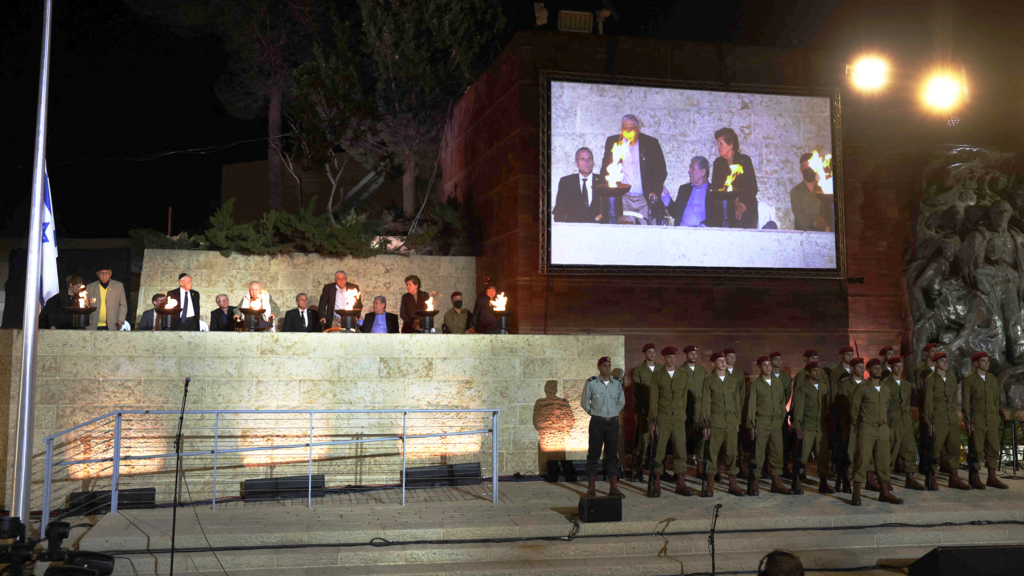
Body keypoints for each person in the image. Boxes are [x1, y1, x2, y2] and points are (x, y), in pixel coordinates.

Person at [850, 359, 903, 506]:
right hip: (867, 427)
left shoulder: (886, 389)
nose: (878, 370)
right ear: (868, 370)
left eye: (879, 368)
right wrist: (860, 426)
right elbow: (854, 410)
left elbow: (887, 409)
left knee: (884, 461)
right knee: (862, 459)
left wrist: (887, 426)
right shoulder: (862, 388)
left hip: (882, 429)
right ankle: (856, 492)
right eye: (875, 368)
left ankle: (885, 492)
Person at [648, 346, 698, 497]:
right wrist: (653, 422)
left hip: (677, 418)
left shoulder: (682, 375)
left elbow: (684, 398)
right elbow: (653, 400)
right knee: (659, 451)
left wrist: (683, 416)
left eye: (674, 357)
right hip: (662, 418)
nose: (672, 360)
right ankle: (656, 483)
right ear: (664, 358)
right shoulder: (657, 375)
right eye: (669, 357)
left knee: (680, 451)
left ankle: (681, 483)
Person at [599, 114, 667, 224]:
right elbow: (605, 170)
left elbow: (661, 171)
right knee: (625, 231)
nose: (629, 131)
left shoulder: (651, 143)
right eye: (626, 128)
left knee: (649, 230)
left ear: (639, 129)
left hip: (644, 197)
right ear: (621, 130)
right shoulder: (613, 143)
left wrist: (655, 191)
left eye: (632, 128)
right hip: (624, 198)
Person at [922, 351, 970, 490]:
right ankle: (931, 476)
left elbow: (954, 399)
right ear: (935, 363)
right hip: (938, 418)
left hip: (952, 419)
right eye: (942, 361)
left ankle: (954, 477)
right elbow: (928, 403)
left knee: (954, 447)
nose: (945, 363)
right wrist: (929, 421)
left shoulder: (951, 379)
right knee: (935, 449)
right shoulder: (930, 380)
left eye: (946, 361)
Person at [962, 351, 1010, 490]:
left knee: (993, 448)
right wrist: (968, 420)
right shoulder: (969, 379)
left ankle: (992, 477)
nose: (987, 363)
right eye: (983, 361)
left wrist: (996, 417)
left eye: (987, 361)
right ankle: (975, 477)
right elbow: (966, 403)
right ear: (976, 363)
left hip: (991, 419)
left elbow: (996, 401)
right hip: (977, 419)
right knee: (976, 448)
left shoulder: (992, 379)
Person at [581, 356, 626, 498]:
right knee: (593, 455)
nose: (608, 368)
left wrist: (614, 413)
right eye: (605, 365)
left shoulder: (617, 383)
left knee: (612, 455)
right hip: (597, 423)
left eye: (609, 365)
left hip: (612, 422)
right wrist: (593, 413)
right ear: (599, 367)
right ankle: (591, 489)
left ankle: (613, 487)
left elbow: (621, 401)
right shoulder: (592, 382)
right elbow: (584, 402)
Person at [745, 356, 791, 495]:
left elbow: (782, 404)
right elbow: (751, 406)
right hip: (761, 423)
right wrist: (751, 425)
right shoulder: (756, 384)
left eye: (769, 364)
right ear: (759, 367)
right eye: (764, 365)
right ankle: (755, 483)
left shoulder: (778, 383)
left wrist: (781, 419)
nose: (767, 367)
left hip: (776, 423)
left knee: (777, 454)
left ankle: (776, 483)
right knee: (758, 455)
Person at [702, 351, 744, 496]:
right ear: (713, 364)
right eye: (719, 361)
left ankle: (733, 484)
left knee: (732, 453)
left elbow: (737, 402)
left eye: (724, 360)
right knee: (712, 455)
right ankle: (710, 484)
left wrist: (737, 421)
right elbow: (706, 404)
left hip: (731, 422)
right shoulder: (709, 381)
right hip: (715, 422)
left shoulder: (732, 380)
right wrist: (706, 425)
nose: (723, 363)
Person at [791, 361, 834, 495]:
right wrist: (798, 426)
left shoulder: (824, 387)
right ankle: (796, 481)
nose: (817, 373)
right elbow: (799, 409)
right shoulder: (803, 388)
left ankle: (823, 483)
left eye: (819, 370)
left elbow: (827, 408)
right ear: (808, 372)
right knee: (803, 455)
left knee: (822, 456)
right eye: (814, 370)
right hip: (808, 426)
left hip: (821, 427)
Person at [884, 356, 924, 490]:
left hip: (905, 419)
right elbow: (883, 406)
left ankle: (910, 477)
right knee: (890, 450)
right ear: (891, 368)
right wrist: (885, 424)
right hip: (892, 419)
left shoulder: (906, 384)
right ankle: (885, 478)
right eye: (897, 366)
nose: (900, 369)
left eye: (901, 366)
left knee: (910, 448)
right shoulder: (885, 384)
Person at [707, 127, 758, 229]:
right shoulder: (718, 163)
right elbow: (716, 189)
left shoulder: (745, 160)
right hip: (726, 210)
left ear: (731, 144)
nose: (718, 147)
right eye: (718, 144)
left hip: (747, 209)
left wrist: (742, 207)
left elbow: (753, 188)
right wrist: (733, 207)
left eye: (721, 143)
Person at [835, 356, 868, 492]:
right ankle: (845, 479)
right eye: (859, 367)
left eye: (863, 367)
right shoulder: (845, 384)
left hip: (864, 422)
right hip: (848, 423)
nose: (862, 369)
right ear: (852, 369)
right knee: (848, 452)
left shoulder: (867, 384)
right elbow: (842, 403)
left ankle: (861, 479)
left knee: (862, 451)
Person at [630, 343, 660, 481]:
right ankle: (639, 470)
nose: (652, 354)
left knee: (660, 442)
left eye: (654, 351)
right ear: (645, 353)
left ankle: (658, 471)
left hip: (661, 411)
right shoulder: (639, 370)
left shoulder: (661, 369)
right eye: (649, 351)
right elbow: (636, 392)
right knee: (643, 440)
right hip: (645, 411)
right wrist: (637, 411)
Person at [553, 147, 604, 223]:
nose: (586, 162)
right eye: (582, 159)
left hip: (599, 230)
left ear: (593, 163)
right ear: (576, 163)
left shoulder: (603, 181)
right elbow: (559, 211)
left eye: (589, 159)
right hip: (573, 231)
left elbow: (609, 210)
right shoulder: (566, 182)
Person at [669, 156, 711, 227]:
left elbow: (717, 217)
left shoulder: (713, 192)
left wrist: (703, 226)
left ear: (703, 172)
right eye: (690, 168)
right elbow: (675, 213)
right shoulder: (684, 189)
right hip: (682, 232)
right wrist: (666, 198)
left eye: (693, 169)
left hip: (704, 234)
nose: (689, 172)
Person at [790, 153, 827, 231]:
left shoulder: (824, 188)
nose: (809, 169)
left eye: (810, 166)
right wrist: (813, 223)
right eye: (805, 167)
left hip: (822, 232)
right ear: (801, 170)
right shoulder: (796, 192)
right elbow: (798, 217)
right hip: (803, 233)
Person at [85, 266, 128, 330]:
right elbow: (86, 307)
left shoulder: (118, 286)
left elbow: (123, 304)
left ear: (110, 274)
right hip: (94, 324)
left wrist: (121, 319)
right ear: (97, 274)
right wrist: (87, 323)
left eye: (106, 273)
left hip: (113, 324)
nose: (104, 275)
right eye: (102, 273)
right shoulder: (90, 287)